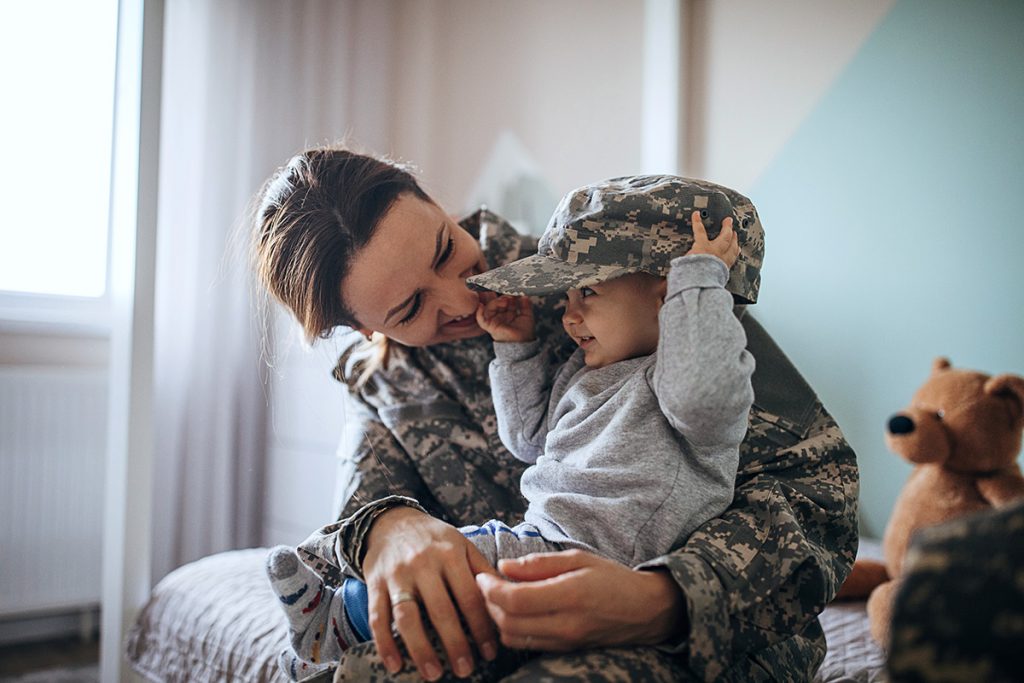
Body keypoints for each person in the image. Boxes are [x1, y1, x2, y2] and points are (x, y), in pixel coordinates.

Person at [251, 145, 859, 682]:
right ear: (363, 327)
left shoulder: (607, 268)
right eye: (411, 307)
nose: (463, 297)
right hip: (501, 616)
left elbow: (818, 490)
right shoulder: (380, 379)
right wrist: (386, 529)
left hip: (700, 639)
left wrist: (663, 598)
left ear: (434, 201)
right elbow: (340, 545)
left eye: (445, 249)